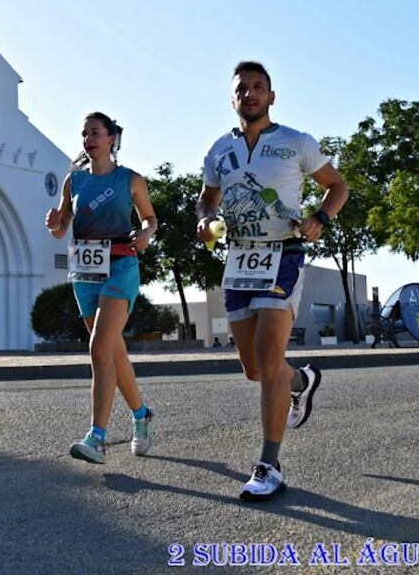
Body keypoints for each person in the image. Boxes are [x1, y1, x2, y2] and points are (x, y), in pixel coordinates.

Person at [195, 61, 348, 501]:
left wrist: (321, 216)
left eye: (258, 87)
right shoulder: (219, 151)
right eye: (242, 88)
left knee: (268, 352)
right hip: (239, 259)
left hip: (284, 255)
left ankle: (269, 465)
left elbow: (337, 187)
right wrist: (205, 221)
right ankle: (300, 381)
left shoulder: (295, 142)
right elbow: (207, 200)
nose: (250, 94)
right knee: (255, 370)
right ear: (233, 98)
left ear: (272, 96)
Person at [45, 112, 158, 464]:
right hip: (85, 273)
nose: (88, 139)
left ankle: (97, 437)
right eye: (84, 134)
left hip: (121, 267)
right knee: (114, 351)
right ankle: (142, 415)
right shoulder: (73, 181)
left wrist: (145, 234)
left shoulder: (131, 179)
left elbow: (150, 218)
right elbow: (61, 229)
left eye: (95, 133)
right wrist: (53, 223)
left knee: (98, 348)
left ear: (111, 138)